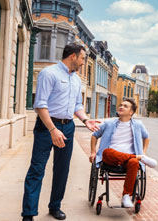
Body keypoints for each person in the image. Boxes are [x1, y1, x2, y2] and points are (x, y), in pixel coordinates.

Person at [22, 44, 101, 221]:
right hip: (47, 127)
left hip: (68, 127)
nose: (83, 63)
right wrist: (52, 130)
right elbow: (40, 105)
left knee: (62, 170)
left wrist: (86, 120)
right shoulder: (49, 74)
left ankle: (55, 206)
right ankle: (28, 214)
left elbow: (77, 106)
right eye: (82, 58)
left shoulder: (76, 80)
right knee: (37, 169)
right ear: (73, 56)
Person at [89, 99, 157, 208]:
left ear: (131, 112)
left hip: (128, 161)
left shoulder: (138, 125)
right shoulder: (109, 123)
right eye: (121, 105)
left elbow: (146, 137)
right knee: (107, 152)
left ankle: (126, 196)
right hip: (111, 158)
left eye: (125, 106)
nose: (121, 107)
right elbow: (94, 135)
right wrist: (93, 152)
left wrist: (143, 151)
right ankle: (140, 158)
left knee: (134, 162)